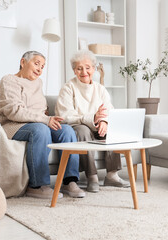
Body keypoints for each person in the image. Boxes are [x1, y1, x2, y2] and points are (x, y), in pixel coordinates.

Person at [0, 51, 85, 199]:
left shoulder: (38, 82)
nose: (40, 69)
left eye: (43, 66)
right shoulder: (8, 80)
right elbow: (14, 111)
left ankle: (69, 181)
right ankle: (37, 185)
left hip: (36, 122)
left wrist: (47, 116)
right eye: (36, 63)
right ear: (23, 62)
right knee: (41, 130)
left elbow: (40, 107)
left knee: (66, 130)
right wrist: (45, 119)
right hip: (12, 124)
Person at [55, 50, 129, 193]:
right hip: (79, 126)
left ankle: (112, 175)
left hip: (97, 125)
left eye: (88, 67)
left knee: (111, 129)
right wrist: (91, 118)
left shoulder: (100, 89)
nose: (84, 72)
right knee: (83, 130)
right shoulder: (68, 88)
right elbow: (65, 115)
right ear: (74, 70)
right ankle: (92, 177)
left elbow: (108, 109)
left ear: (94, 69)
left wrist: (104, 122)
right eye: (79, 68)